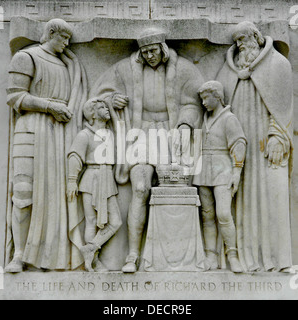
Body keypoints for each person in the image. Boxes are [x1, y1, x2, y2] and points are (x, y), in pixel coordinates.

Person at [90, 28, 205, 272]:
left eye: (153, 50)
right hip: (139, 136)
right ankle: (132, 254)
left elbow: (194, 102)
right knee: (140, 189)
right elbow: (100, 96)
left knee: (173, 189)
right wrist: (113, 101)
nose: (150, 55)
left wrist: (185, 122)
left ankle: (170, 254)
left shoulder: (183, 68)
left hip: (170, 135)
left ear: (162, 48)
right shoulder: (125, 69)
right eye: (145, 52)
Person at [5, 19, 87, 272]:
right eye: (64, 38)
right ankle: (19, 254)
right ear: (51, 33)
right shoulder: (26, 57)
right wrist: (50, 106)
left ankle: (48, 254)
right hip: (30, 129)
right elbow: (14, 96)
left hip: (57, 134)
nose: (67, 44)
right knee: (23, 192)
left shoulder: (66, 65)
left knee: (53, 195)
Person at [216, 21, 294, 272]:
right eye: (237, 41)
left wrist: (277, 136)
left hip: (267, 143)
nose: (240, 45)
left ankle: (276, 260)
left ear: (257, 37)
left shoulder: (278, 65)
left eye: (244, 39)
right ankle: (246, 257)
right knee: (242, 199)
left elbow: (283, 107)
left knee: (273, 195)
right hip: (238, 146)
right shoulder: (228, 71)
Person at [193, 81, 247, 273]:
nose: (204, 102)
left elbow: (239, 143)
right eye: (201, 99)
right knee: (207, 215)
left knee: (223, 214)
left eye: (206, 98)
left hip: (222, 168)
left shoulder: (229, 118)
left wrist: (237, 171)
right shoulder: (205, 118)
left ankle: (232, 255)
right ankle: (210, 256)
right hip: (203, 169)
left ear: (218, 96)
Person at [67, 98, 122, 272]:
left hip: (107, 177)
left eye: (107, 106)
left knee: (115, 221)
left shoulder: (110, 133)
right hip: (91, 177)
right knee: (91, 222)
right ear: (92, 113)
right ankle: (94, 262)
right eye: (101, 107)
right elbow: (75, 156)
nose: (106, 109)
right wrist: (71, 181)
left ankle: (90, 247)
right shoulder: (85, 135)